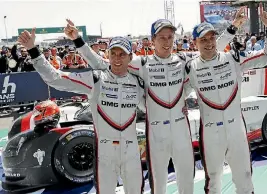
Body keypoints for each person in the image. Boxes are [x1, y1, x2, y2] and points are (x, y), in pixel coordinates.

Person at [65, 8, 244, 192]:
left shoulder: (184, 59)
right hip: (156, 133)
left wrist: (234, 27)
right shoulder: (142, 63)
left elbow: (211, 50)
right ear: (152, 41)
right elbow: (106, 65)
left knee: (187, 183)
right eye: (162, 38)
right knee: (158, 186)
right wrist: (78, 41)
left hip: (181, 130)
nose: (167, 42)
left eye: (170, 37)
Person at [18, 29, 145, 194]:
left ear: (130, 57)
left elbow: (152, 108)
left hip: (132, 151)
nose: (117, 58)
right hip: (105, 152)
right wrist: (33, 50)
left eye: (122, 54)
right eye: (113, 53)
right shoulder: (96, 79)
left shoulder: (139, 83)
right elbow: (55, 78)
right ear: (108, 55)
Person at [184, 3, 267, 194]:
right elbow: (175, 95)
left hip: (236, 130)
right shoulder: (190, 68)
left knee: (244, 180)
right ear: (195, 43)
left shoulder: (233, 58)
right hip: (210, 133)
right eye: (203, 40)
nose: (209, 43)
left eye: (211, 38)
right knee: (213, 183)